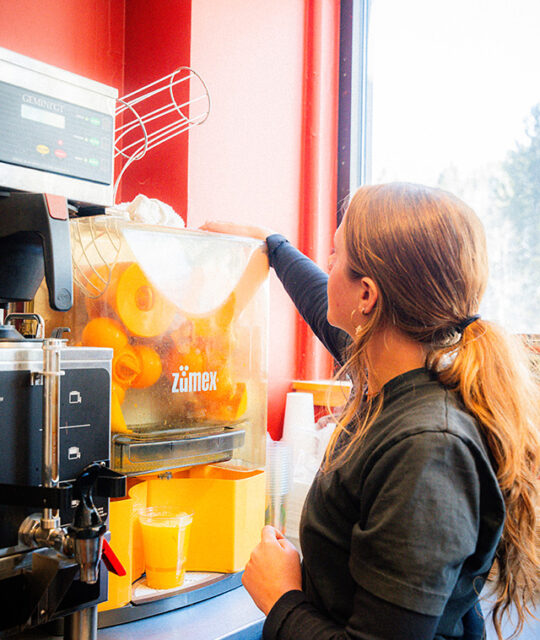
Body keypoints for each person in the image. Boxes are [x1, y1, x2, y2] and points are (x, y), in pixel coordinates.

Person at [201, 182, 540, 640]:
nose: (328, 266)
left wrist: (280, 597)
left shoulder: (428, 451)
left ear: (366, 296)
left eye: (336, 255)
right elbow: (321, 303)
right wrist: (273, 245)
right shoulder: (392, 370)